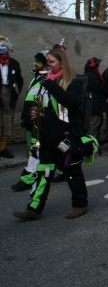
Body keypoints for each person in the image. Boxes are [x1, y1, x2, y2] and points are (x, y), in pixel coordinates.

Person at [13, 49, 89, 220]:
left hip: (67, 136)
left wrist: (50, 84)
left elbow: (70, 102)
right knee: (44, 172)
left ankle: (80, 204)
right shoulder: (44, 83)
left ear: (62, 63)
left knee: (72, 171)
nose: (48, 64)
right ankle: (34, 208)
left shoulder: (72, 82)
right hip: (47, 136)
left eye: (52, 61)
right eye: (47, 61)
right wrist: (35, 114)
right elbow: (44, 106)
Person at [11, 50, 48, 191]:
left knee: (39, 150)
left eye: (38, 61)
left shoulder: (47, 79)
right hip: (33, 120)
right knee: (37, 151)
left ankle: (29, 179)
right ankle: (28, 178)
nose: (35, 64)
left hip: (41, 121)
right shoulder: (36, 77)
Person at [0, 35, 24, 158]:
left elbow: (20, 80)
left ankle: (2, 147)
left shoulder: (14, 63)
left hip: (8, 91)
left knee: (7, 120)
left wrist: (15, 94)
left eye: (4, 48)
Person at [84, 57, 108, 144]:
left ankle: (95, 141)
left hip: (94, 103)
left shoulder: (89, 74)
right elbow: (100, 88)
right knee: (94, 124)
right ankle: (92, 143)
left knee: (96, 122)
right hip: (94, 104)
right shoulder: (93, 76)